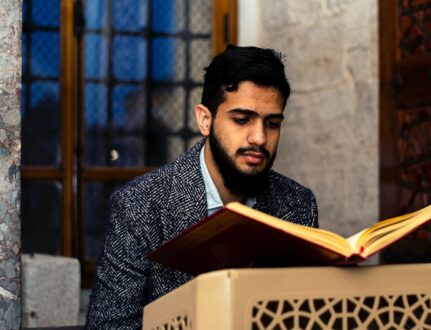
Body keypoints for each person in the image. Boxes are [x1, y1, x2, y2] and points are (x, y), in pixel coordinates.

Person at [86, 45, 319, 329]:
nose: (259, 137)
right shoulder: (139, 205)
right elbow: (110, 326)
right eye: (242, 120)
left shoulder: (298, 205)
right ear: (205, 120)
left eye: (272, 123)